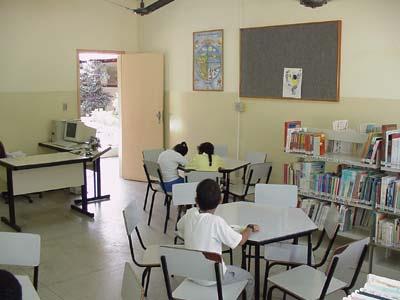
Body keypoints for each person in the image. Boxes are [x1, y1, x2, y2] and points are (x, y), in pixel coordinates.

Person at [177, 179, 257, 299]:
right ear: (220, 200)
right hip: (213, 279)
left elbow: (180, 228)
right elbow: (241, 241)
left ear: (196, 200)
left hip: (192, 273)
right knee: (249, 278)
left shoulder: (189, 214)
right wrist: (249, 228)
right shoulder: (216, 222)